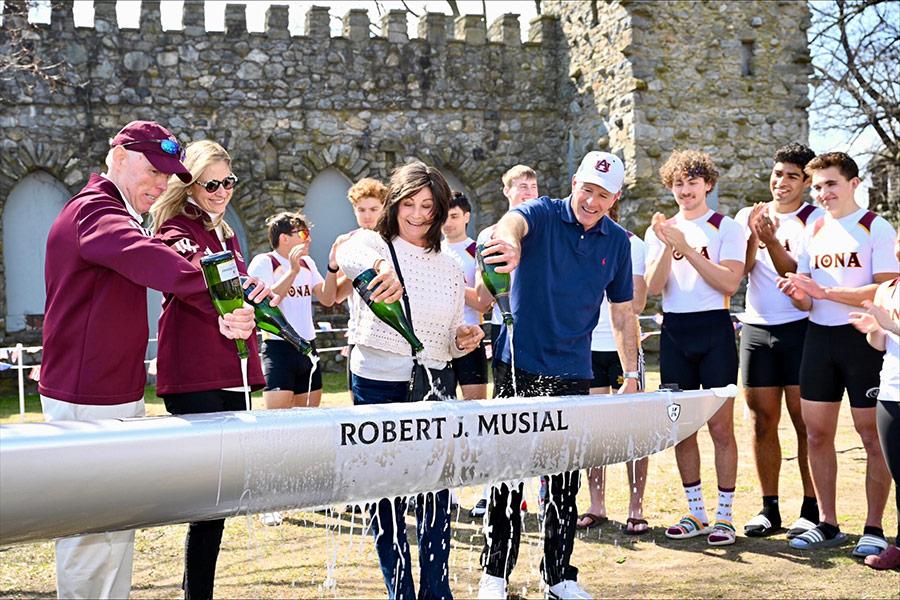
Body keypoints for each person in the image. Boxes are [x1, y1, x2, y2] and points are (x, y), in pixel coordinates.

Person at [38, 121, 260, 599]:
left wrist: (221, 308)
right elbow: (152, 260)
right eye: (153, 171)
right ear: (118, 157)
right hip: (86, 399)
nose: (162, 185)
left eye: (169, 176)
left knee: (115, 533)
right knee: (90, 539)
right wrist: (222, 299)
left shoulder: (117, 212)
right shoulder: (95, 211)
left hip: (114, 394)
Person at [477, 151, 639, 600]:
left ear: (615, 198)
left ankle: (559, 576)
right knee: (508, 474)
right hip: (517, 364)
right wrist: (508, 243)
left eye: (602, 194)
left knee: (564, 481)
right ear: (573, 182)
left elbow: (624, 315)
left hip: (573, 371)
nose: (591, 200)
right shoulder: (542, 213)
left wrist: (632, 373)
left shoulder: (617, 242)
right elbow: (513, 222)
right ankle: (494, 575)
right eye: (586, 189)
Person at [336, 161, 484, 600]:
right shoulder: (371, 242)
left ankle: (437, 590)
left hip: (434, 384)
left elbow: (447, 338)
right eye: (409, 204)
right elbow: (351, 251)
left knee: (435, 493)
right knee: (386, 495)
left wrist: (465, 338)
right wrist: (382, 265)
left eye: (428, 205)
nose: (418, 214)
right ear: (393, 204)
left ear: (441, 210)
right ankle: (400, 590)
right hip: (378, 381)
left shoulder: (450, 265)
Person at [149, 139, 278, 599]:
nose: (222, 190)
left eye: (229, 182)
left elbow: (234, 286)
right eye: (211, 183)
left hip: (232, 369)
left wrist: (254, 288)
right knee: (209, 499)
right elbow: (194, 278)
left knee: (220, 500)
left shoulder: (226, 232)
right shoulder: (176, 228)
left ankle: (198, 591)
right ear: (187, 185)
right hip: (196, 370)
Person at [777, 152, 898, 555]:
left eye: (830, 184)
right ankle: (828, 523)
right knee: (816, 433)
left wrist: (825, 292)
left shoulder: (874, 227)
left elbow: (883, 290)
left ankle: (874, 527)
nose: (823, 193)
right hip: (819, 339)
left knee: (871, 437)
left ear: (852, 184)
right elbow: (808, 301)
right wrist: (798, 292)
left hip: (862, 341)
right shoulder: (813, 227)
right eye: (817, 187)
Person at [644, 150, 744, 547]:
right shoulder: (661, 229)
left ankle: (724, 515)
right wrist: (669, 244)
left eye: (692, 182)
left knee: (720, 427)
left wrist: (687, 245)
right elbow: (654, 288)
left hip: (715, 329)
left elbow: (728, 283)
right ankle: (695, 511)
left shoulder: (726, 227)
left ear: (708, 185)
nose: (685, 191)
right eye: (678, 184)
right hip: (676, 332)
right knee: (682, 427)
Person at [734, 143, 822, 538]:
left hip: (801, 328)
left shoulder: (817, 221)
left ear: (806, 181)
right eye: (777, 173)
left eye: (791, 175)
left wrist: (771, 240)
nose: (781, 182)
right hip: (756, 327)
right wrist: (755, 235)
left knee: (806, 424)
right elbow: (743, 271)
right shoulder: (748, 215)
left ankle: (812, 507)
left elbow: (797, 277)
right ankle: (769, 508)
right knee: (761, 421)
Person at [470, 164, 540, 519]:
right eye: (521, 186)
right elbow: (483, 297)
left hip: (545, 331)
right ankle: (494, 490)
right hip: (507, 331)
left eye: (533, 186)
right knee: (504, 413)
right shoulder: (491, 233)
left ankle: (544, 493)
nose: (528, 192)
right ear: (507, 192)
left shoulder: (547, 227)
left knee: (544, 414)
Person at [575, 202, 649, 535]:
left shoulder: (632, 243)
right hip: (586, 349)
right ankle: (597, 504)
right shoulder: (575, 240)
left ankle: (636, 508)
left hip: (624, 351)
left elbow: (638, 302)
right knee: (594, 430)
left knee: (634, 429)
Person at [248, 211, 338, 410]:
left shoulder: (308, 263)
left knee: (310, 420)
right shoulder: (264, 262)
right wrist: (292, 271)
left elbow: (327, 299)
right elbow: (264, 302)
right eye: (304, 234)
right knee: (277, 422)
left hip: (308, 346)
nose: (309, 239)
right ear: (284, 238)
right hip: (279, 348)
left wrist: (332, 268)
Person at [848, 231, 900, 570]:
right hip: (892, 392)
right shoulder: (887, 288)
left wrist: (889, 323)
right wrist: (873, 328)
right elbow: (880, 345)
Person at [329, 178, 389, 395]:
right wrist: (357, 269)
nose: (367, 215)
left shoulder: (395, 239)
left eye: (374, 209)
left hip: (396, 335)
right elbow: (337, 295)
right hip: (360, 333)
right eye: (361, 209)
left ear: (385, 207)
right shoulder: (347, 242)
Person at [442, 192, 492, 400]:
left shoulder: (477, 250)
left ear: (467, 217)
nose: (447, 223)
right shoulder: (430, 251)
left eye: (454, 216)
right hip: (439, 338)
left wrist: (451, 282)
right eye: (443, 216)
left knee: (476, 409)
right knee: (440, 410)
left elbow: (483, 303)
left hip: (471, 334)